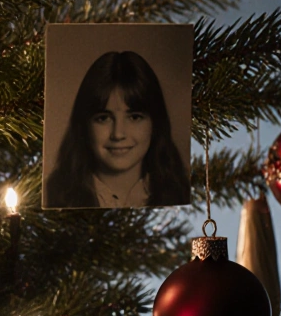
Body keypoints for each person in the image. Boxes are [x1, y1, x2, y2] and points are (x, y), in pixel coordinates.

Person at [47, 51, 191, 208]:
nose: (118, 134)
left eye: (134, 117)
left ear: (155, 123)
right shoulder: (54, 196)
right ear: (84, 125)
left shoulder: (179, 193)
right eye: (103, 118)